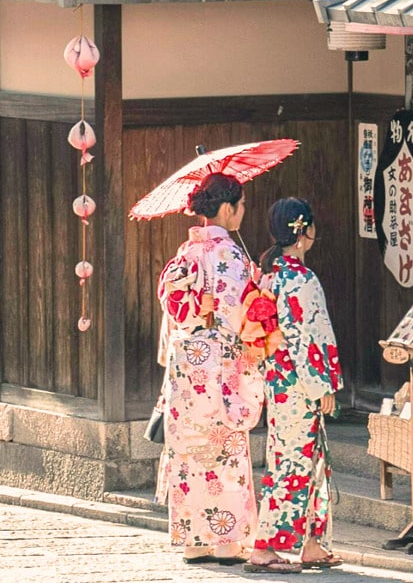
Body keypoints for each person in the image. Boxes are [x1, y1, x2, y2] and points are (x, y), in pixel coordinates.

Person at [155, 173, 265, 565]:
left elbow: (173, 306)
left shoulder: (185, 253)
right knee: (224, 451)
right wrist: (258, 287)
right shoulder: (230, 255)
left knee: (188, 452)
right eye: (241, 204)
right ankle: (226, 541)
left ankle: (193, 540)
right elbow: (239, 314)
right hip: (220, 366)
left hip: (187, 367)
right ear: (226, 208)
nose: (243, 211)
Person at [245, 197, 344, 573]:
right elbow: (310, 336)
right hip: (299, 381)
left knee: (306, 457)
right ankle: (266, 546)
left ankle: (312, 542)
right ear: (303, 231)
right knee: (292, 462)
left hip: (278, 377)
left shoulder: (267, 274)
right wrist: (325, 386)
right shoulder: (299, 278)